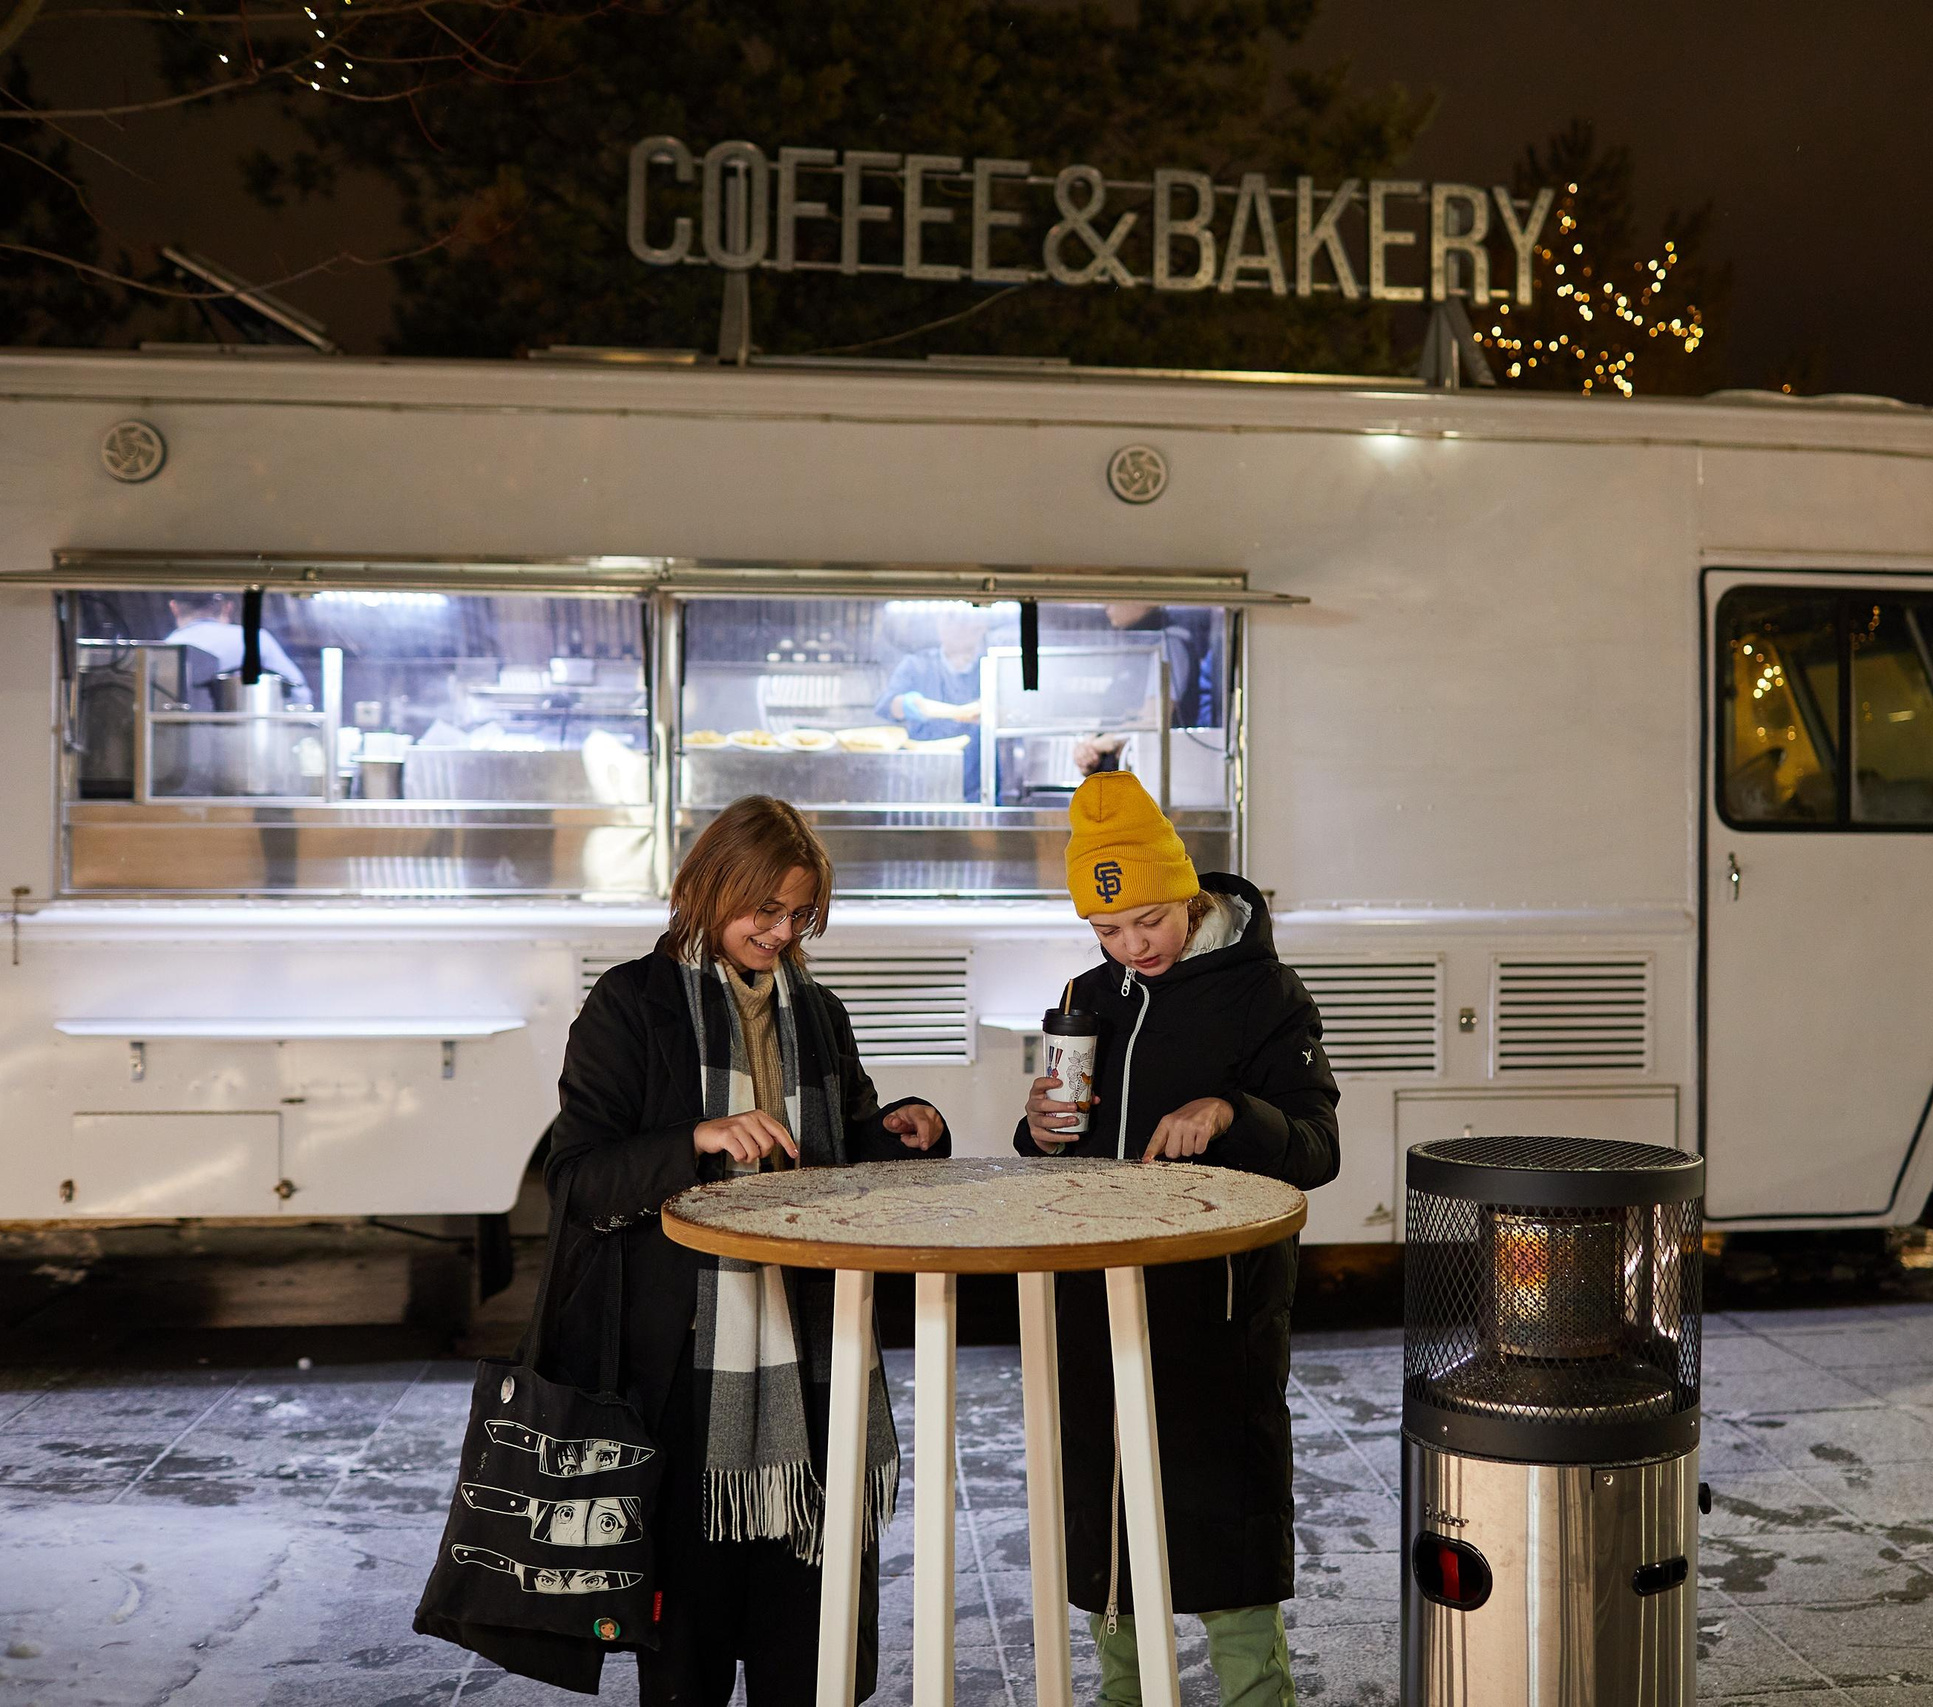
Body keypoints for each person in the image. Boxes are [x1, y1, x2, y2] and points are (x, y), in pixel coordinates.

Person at [540, 795, 951, 1705]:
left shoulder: (819, 1011)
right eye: (765, 909)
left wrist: (905, 1129)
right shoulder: (632, 1004)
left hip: (815, 1357)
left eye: (800, 914)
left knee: (808, 1643)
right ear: (708, 887)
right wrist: (696, 1137)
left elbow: (843, 1154)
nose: (782, 932)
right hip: (685, 1375)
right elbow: (576, 1179)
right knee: (686, 1649)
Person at [1013, 771, 1338, 1707]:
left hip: (1218, 1312)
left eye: (1148, 920)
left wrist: (1232, 1110)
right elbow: (1056, 1144)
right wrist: (1039, 1129)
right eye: (1108, 929)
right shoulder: (1087, 993)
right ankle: (1123, 1693)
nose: (1132, 946)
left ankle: (1257, 1694)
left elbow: (1318, 1147)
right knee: (1106, 1519)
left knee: (1223, 1516)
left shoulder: (1266, 993)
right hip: (1095, 1300)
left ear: (1187, 894)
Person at [874, 606, 989, 799]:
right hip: (919, 779)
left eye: (965, 621)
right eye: (950, 619)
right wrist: (906, 704)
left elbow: (1015, 712)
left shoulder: (989, 667)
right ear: (939, 624)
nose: (957, 628)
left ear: (981, 626)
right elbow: (885, 706)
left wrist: (991, 711)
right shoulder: (917, 664)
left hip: (978, 782)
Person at [163, 591, 309, 698]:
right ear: (227, 607)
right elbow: (299, 692)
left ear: (174, 608)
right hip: (248, 729)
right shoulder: (255, 639)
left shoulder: (167, 647)